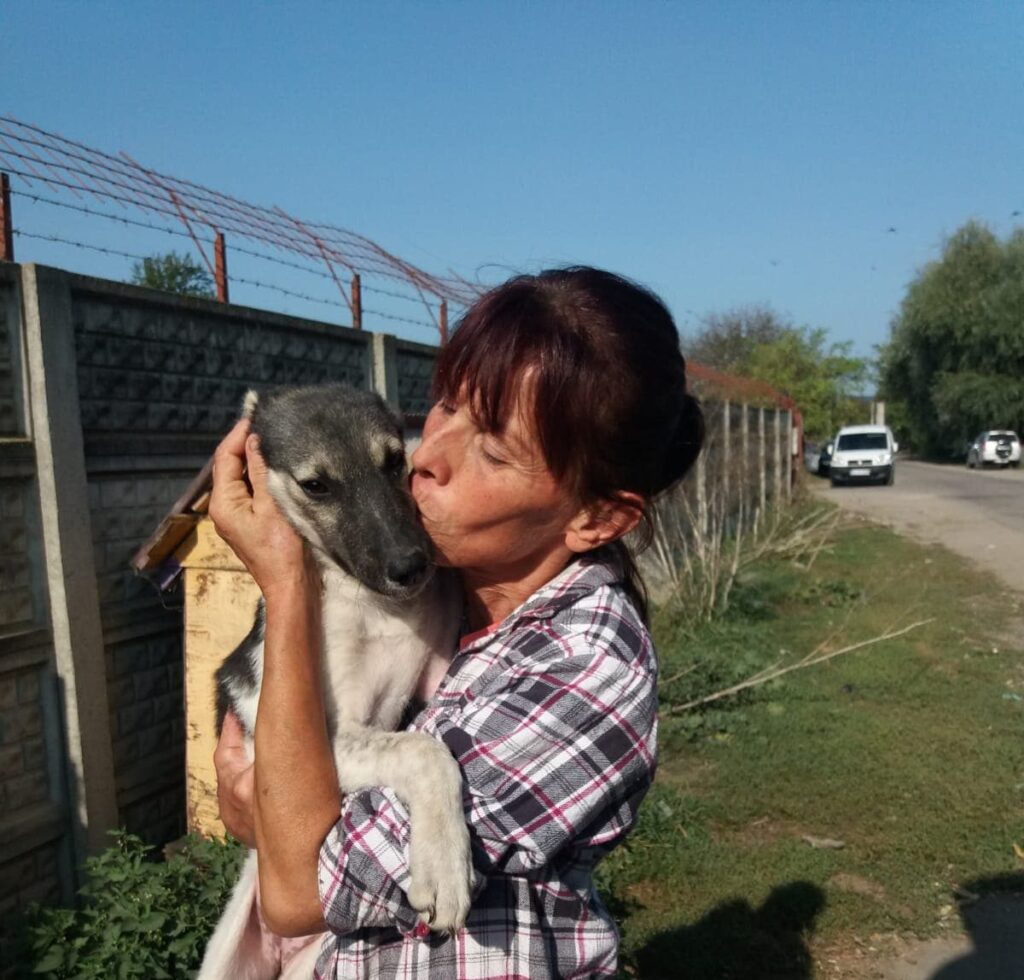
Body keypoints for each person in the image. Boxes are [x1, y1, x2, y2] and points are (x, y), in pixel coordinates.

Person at [209, 266, 705, 978]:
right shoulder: (447, 592)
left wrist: (285, 588)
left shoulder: (585, 669)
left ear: (599, 516)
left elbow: (295, 889)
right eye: (445, 406)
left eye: (494, 449)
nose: (427, 459)